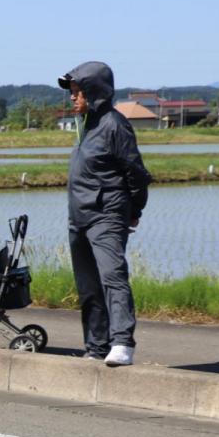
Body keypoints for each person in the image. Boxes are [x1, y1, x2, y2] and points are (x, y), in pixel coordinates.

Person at [58, 61, 151, 367]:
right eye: (71, 92)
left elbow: (136, 173)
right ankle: (96, 347)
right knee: (88, 285)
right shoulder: (85, 124)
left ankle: (122, 343)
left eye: (78, 91)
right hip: (79, 216)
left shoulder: (114, 124)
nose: (73, 97)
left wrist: (133, 210)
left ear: (95, 91)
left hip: (107, 214)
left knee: (112, 277)